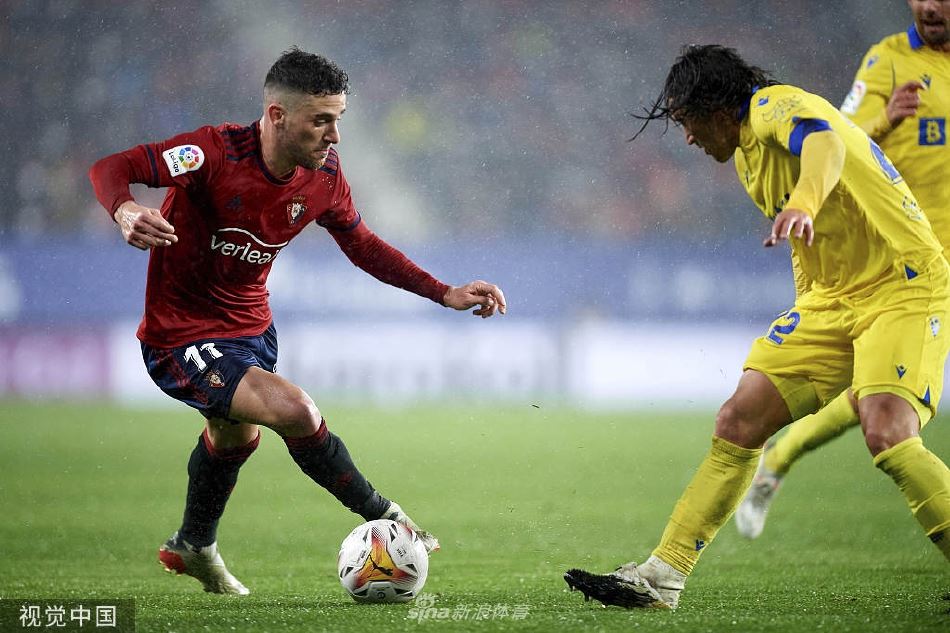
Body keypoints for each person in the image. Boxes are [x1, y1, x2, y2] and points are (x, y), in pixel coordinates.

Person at [88, 48, 506, 596]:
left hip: (253, 331)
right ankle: (387, 514)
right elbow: (111, 168)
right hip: (180, 335)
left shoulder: (324, 176)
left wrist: (443, 291)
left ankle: (194, 544)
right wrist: (124, 209)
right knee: (295, 410)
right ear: (278, 116)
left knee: (233, 437)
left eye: (338, 119)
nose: (335, 135)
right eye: (321, 121)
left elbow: (362, 245)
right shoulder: (212, 153)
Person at [564, 44, 950, 610]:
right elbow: (816, 230)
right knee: (739, 419)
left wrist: (804, 204)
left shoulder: (773, 106)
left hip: (902, 281)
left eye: (688, 121)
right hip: (832, 300)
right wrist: (808, 300)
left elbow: (825, 142)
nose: (688, 138)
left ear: (719, 108)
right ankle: (662, 576)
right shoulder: (747, 157)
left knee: (887, 431)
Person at [736, 0, 950, 539]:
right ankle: (778, 459)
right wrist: (887, 119)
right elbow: (839, 137)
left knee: (878, 400)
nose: (929, 5)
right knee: (880, 400)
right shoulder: (888, 61)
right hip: (904, 258)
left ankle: (778, 460)